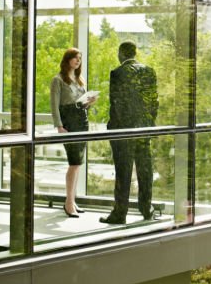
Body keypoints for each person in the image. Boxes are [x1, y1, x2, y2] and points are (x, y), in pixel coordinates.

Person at [101, 41, 159, 224]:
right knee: (145, 169)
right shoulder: (149, 71)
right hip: (143, 129)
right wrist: (148, 123)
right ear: (135, 52)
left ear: (121, 54)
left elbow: (117, 103)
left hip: (124, 131)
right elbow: (153, 101)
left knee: (123, 171)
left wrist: (114, 127)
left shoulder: (118, 73)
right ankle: (146, 208)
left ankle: (120, 213)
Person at [51, 48, 96, 218]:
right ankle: (68, 203)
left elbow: (81, 105)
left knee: (78, 163)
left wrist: (89, 102)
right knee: (74, 162)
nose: (78, 61)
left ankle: (72, 200)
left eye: (80, 58)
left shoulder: (79, 80)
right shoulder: (58, 80)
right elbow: (54, 105)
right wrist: (59, 126)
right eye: (75, 58)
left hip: (82, 120)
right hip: (68, 122)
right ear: (67, 59)